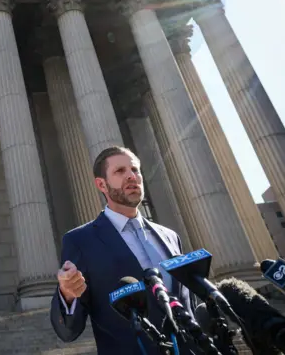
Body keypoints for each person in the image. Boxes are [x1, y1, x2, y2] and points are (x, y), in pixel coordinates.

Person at [50, 146, 196, 354]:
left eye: (135, 170)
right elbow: (68, 331)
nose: (131, 176)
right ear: (101, 184)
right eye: (120, 171)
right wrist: (67, 294)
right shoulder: (80, 241)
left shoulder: (170, 236)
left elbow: (186, 303)